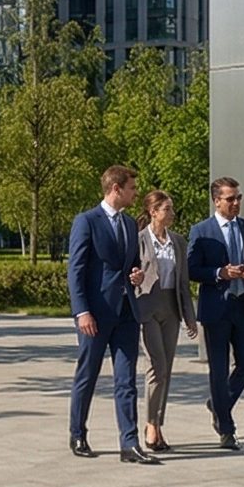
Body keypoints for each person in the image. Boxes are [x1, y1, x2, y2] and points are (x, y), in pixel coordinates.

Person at [67, 163, 153, 464]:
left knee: (126, 379)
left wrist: (136, 276)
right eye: (131, 187)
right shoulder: (86, 221)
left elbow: (128, 265)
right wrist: (82, 312)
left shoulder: (131, 224)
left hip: (127, 312)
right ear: (116, 188)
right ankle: (78, 432)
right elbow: (75, 271)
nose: (135, 193)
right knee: (87, 375)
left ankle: (129, 444)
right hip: (96, 314)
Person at [185, 176, 244, 450]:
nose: (236, 203)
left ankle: (218, 404)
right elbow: (192, 269)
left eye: (238, 198)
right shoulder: (201, 231)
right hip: (216, 308)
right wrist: (220, 273)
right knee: (218, 371)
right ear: (216, 200)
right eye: (230, 199)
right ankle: (227, 429)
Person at [129, 188, 198, 453]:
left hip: (172, 308)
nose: (171, 213)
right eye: (166, 208)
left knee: (166, 369)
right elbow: (131, 273)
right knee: (156, 366)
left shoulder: (178, 242)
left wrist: (190, 318)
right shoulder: (139, 240)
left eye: (171, 208)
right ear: (153, 211)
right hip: (148, 308)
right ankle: (149, 425)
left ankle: (158, 423)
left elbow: (183, 283)